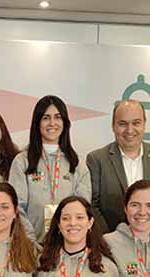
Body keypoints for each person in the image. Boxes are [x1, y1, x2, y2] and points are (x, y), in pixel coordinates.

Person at [87, 99, 150, 234]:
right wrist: (110, 240)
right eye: (122, 124)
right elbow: (92, 206)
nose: (130, 130)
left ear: (144, 124)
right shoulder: (96, 159)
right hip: (111, 245)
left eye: (136, 123)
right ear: (113, 126)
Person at [9, 95, 90, 242]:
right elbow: (16, 207)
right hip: (30, 245)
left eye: (58, 117)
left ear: (65, 122)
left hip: (67, 245)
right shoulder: (22, 162)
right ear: (37, 123)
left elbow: (82, 210)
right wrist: (30, 241)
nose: (52, 123)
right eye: (46, 118)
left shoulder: (77, 163)